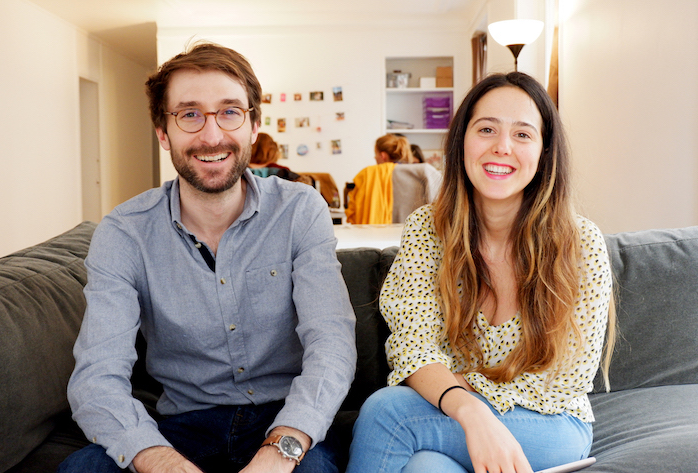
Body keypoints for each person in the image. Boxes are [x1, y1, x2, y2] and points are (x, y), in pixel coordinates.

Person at [58, 42, 356, 473]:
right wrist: (159, 460)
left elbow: (331, 343)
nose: (212, 135)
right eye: (190, 114)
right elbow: (95, 379)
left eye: (230, 111)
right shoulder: (124, 232)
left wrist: (282, 448)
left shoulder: (300, 210)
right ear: (164, 132)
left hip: (284, 418)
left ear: (254, 125)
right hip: (182, 425)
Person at [346, 72, 615, 473]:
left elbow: (567, 377)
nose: (501, 147)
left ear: (544, 151)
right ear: (462, 142)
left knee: (389, 413)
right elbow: (412, 348)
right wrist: (470, 413)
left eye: (523, 134)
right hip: (455, 413)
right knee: (423, 466)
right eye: (486, 129)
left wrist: (474, 407)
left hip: (550, 422)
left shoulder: (581, 242)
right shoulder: (427, 230)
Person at [345, 134, 439, 224]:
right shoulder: (422, 171)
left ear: (383, 155)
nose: (375, 157)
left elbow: (354, 210)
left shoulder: (366, 174)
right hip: (417, 233)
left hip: (376, 235)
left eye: (375, 154)